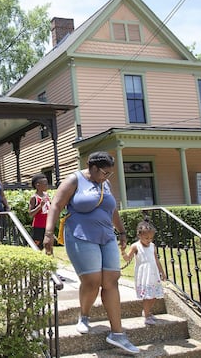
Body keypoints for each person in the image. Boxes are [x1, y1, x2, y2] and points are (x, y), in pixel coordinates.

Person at [43, 151, 139, 355]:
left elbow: (112, 210)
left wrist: (121, 231)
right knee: (92, 281)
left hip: (106, 236)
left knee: (111, 280)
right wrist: (49, 234)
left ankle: (117, 333)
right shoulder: (74, 180)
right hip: (80, 235)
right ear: (93, 167)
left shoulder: (105, 183)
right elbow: (56, 205)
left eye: (110, 174)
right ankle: (84, 315)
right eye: (105, 172)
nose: (107, 176)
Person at [121, 220, 165, 325]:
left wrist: (162, 272)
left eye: (151, 238)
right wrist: (123, 251)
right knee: (147, 296)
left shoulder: (152, 246)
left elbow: (156, 260)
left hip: (153, 273)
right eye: (146, 238)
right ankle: (146, 314)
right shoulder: (136, 246)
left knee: (154, 295)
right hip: (144, 274)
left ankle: (147, 311)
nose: (149, 240)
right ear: (139, 235)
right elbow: (128, 258)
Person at [29, 174, 51, 249]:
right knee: (37, 245)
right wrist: (39, 206)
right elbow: (30, 214)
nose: (47, 185)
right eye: (45, 184)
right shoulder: (34, 198)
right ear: (38, 185)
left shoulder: (46, 195)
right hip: (38, 226)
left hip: (47, 224)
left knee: (48, 243)